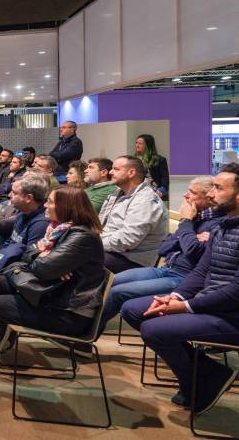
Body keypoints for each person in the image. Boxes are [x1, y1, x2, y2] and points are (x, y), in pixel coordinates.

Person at [0, 186, 107, 397]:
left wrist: (38, 256)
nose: (46, 205)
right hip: (48, 292)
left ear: (67, 207)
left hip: (68, 312)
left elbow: (40, 267)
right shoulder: (58, 230)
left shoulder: (82, 237)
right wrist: (39, 256)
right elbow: (33, 259)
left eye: (51, 202)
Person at [120, 163, 239, 414]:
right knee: (132, 310)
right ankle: (205, 373)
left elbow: (235, 291)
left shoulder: (219, 226)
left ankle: (199, 380)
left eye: (218, 188)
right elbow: (201, 271)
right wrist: (175, 296)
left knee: (154, 329)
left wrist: (185, 306)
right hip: (209, 302)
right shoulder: (222, 226)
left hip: (231, 314)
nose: (211, 194)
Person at [102, 176, 223, 327]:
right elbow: (164, 248)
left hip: (185, 278)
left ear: (209, 198)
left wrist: (186, 224)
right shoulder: (195, 218)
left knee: (118, 292)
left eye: (192, 192)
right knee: (112, 281)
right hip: (166, 269)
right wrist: (189, 236)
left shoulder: (215, 223)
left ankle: (86, 334)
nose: (185, 195)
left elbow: (193, 251)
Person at [98, 156, 169, 273]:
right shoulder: (117, 193)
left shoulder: (145, 200)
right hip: (112, 250)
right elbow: (102, 224)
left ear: (131, 173)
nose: (110, 172)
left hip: (132, 260)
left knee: (79, 259)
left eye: (116, 169)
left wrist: (95, 242)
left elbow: (127, 240)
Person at [136, 134, 170, 201]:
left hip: (155, 190)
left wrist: (161, 191)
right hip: (138, 190)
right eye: (136, 143)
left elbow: (165, 178)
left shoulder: (160, 159)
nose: (137, 145)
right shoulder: (133, 160)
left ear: (148, 145)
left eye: (140, 143)